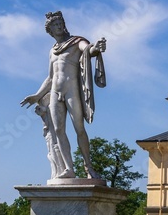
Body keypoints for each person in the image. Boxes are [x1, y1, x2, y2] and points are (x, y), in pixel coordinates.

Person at [21, 11, 106, 180]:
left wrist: (96, 48)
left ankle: (89, 168)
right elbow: (51, 77)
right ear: (50, 30)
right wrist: (37, 95)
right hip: (55, 92)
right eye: (55, 24)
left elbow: (88, 50)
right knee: (58, 130)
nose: (59, 26)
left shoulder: (76, 42)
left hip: (72, 90)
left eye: (60, 22)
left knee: (79, 128)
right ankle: (69, 169)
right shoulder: (52, 51)